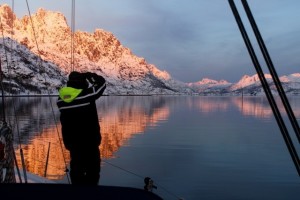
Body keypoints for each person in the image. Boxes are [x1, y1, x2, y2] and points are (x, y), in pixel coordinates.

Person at [57, 71, 106, 185]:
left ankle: (77, 195)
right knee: (92, 175)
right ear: (82, 83)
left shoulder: (61, 99)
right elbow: (102, 85)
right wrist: (90, 75)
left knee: (76, 173)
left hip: (73, 145)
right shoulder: (85, 95)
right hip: (89, 144)